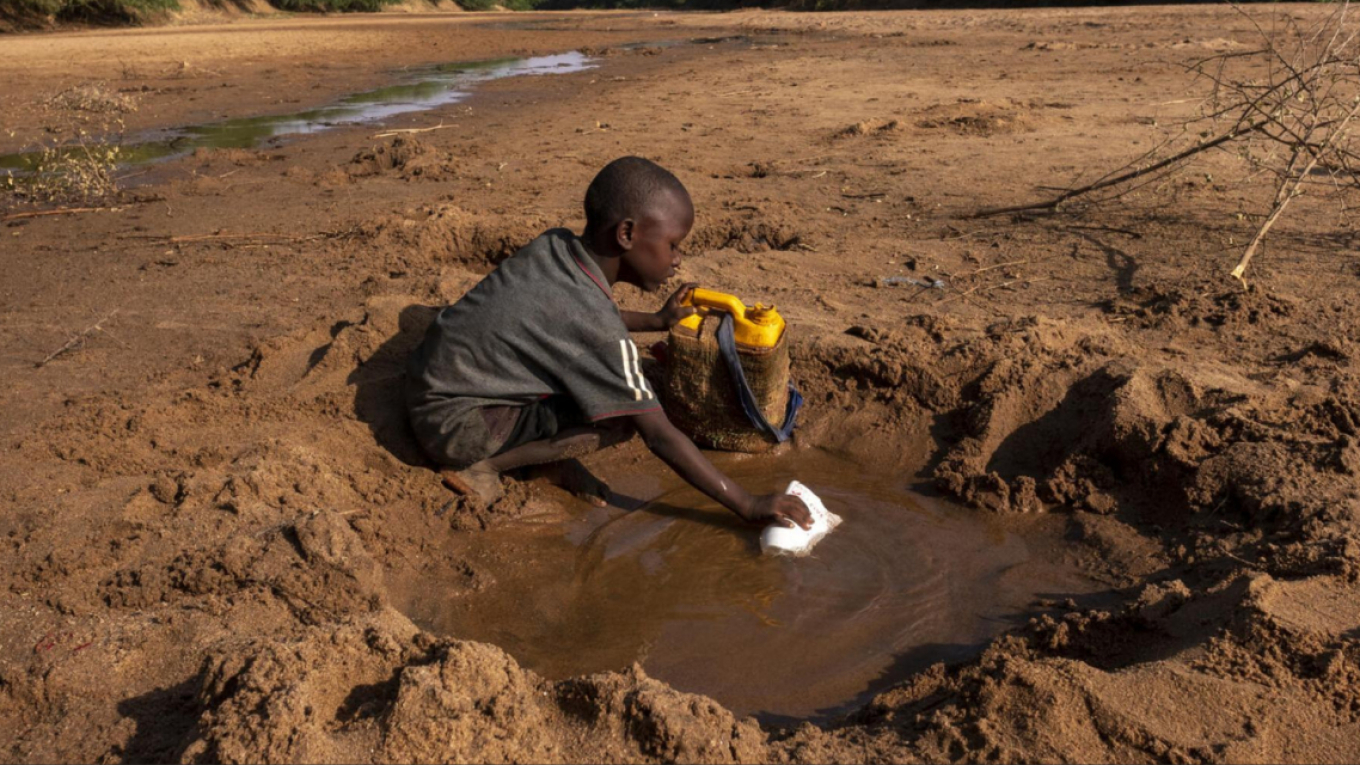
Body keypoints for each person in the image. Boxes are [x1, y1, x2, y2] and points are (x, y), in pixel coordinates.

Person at [405, 156, 811, 531]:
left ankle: (542, 459)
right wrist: (747, 502)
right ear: (627, 233)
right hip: (456, 429)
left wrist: (655, 321)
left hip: (432, 386)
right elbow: (658, 435)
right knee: (622, 415)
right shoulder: (595, 324)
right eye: (672, 244)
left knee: (603, 380)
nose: (678, 259)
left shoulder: (557, 246)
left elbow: (568, 320)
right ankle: (488, 464)